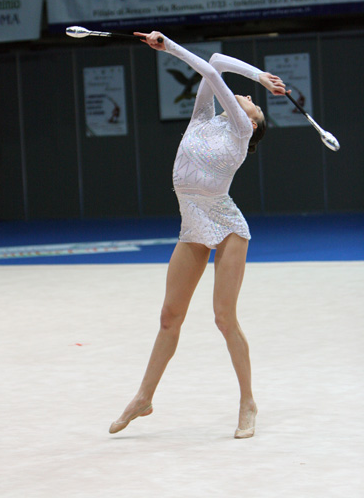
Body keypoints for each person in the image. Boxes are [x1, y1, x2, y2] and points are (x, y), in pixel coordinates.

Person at [109, 32, 287, 439]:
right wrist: (260, 74)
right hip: (192, 225)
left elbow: (208, 69)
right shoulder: (203, 118)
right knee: (169, 317)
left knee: (224, 318)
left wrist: (166, 45)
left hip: (226, 226)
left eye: (255, 105)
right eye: (251, 98)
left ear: (254, 122)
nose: (250, 100)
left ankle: (247, 402)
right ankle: (144, 397)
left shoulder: (241, 131)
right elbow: (217, 59)